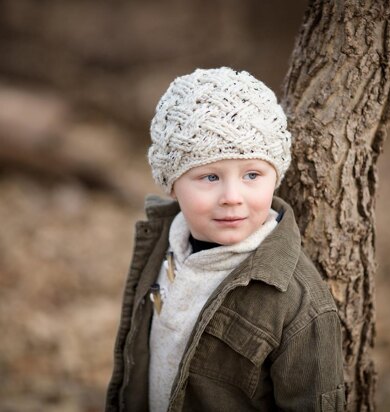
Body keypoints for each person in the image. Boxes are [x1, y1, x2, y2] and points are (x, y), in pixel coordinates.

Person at [105, 67, 345, 412]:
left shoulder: (297, 301)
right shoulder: (162, 244)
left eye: (252, 174)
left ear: (275, 177)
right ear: (172, 183)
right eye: (210, 176)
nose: (232, 196)